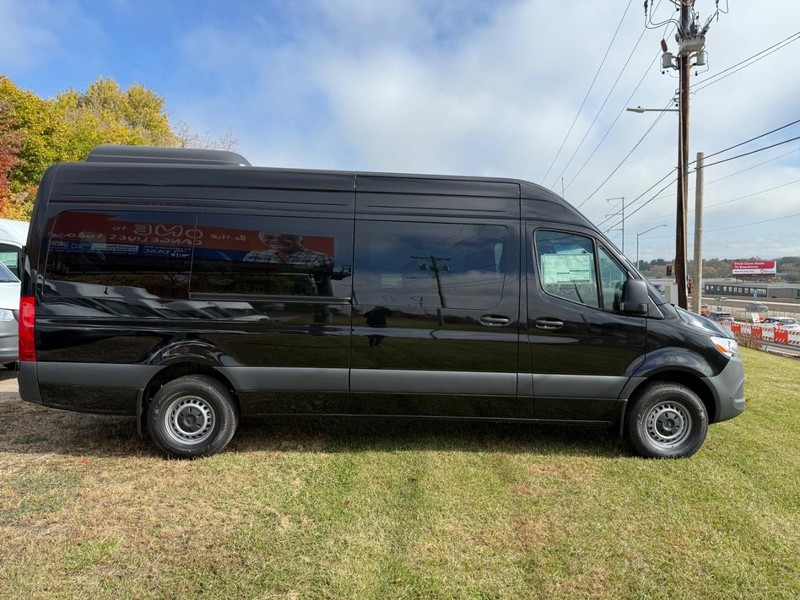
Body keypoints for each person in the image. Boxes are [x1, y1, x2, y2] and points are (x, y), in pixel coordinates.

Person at [243, 233, 332, 268]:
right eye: (269, 237)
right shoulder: (253, 256)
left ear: (299, 238)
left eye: (286, 237)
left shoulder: (319, 258)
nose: (277, 240)